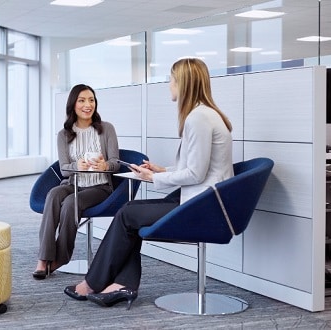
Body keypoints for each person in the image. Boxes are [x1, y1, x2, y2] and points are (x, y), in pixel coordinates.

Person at [64, 58, 234, 309]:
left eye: (171, 80)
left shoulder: (197, 119)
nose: (169, 85)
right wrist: (162, 169)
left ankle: (94, 282)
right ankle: (122, 284)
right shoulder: (206, 114)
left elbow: (196, 175)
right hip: (202, 198)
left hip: (203, 205)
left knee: (128, 212)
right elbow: (199, 168)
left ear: (183, 83)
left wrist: (152, 178)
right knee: (131, 216)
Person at [33, 84, 120, 280]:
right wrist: (76, 165)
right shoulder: (64, 134)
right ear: (73, 105)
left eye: (91, 100)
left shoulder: (106, 129)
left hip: (99, 186)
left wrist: (104, 166)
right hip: (72, 183)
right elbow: (63, 168)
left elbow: (116, 163)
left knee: (71, 203)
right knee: (54, 194)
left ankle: (61, 257)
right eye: (82, 100)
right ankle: (43, 258)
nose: (88, 105)